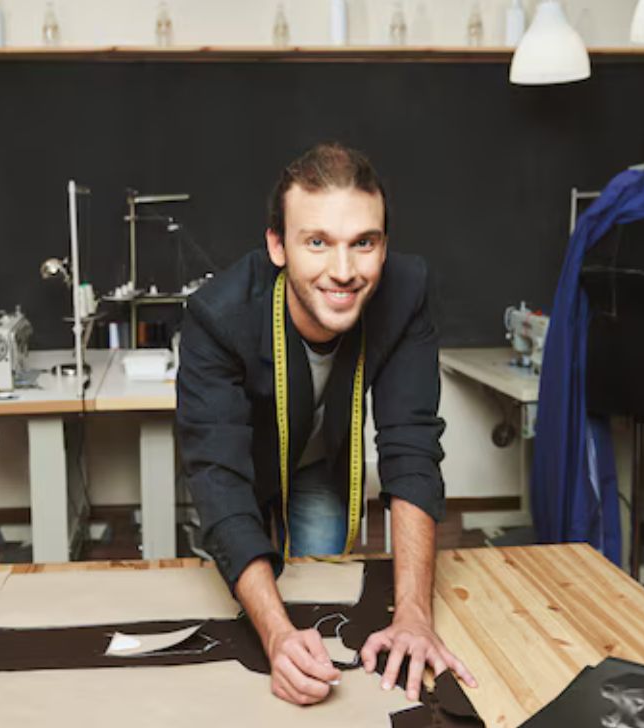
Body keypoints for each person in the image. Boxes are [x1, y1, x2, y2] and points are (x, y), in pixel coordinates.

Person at [177, 142, 476, 706]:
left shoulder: (406, 291)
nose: (343, 271)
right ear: (277, 245)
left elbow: (411, 446)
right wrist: (275, 636)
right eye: (317, 242)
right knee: (263, 617)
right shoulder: (217, 315)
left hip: (320, 464)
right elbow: (218, 479)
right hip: (244, 464)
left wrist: (414, 616)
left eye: (363, 243)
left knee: (325, 614)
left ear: (383, 246)